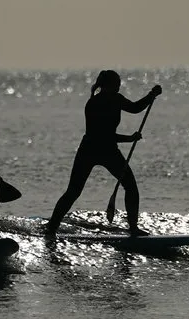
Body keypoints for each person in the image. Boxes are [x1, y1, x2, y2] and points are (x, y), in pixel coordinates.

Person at [45, 70, 162, 237]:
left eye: (119, 83)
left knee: (130, 186)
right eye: (116, 84)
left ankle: (134, 228)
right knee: (74, 191)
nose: (119, 86)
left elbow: (135, 108)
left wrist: (151, 95)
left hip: (108, 150)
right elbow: (102, 135)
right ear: (108, 85)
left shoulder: (116, 99)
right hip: (91, 150)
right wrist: (129, 139)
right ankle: (51, 228)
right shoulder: (93, 104)